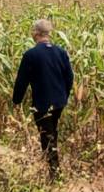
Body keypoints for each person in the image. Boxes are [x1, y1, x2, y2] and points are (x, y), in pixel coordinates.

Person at [12, 17, 74, 176]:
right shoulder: (61, 52)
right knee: (52, 131)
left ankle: (55, 171)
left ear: (36, 33)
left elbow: (21, 81)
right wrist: (64, 96)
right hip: (59, 102)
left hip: (42, 103)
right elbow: (69, 77)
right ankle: (51, 164)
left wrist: (16, 100)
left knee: (46, 134)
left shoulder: (31, 55)